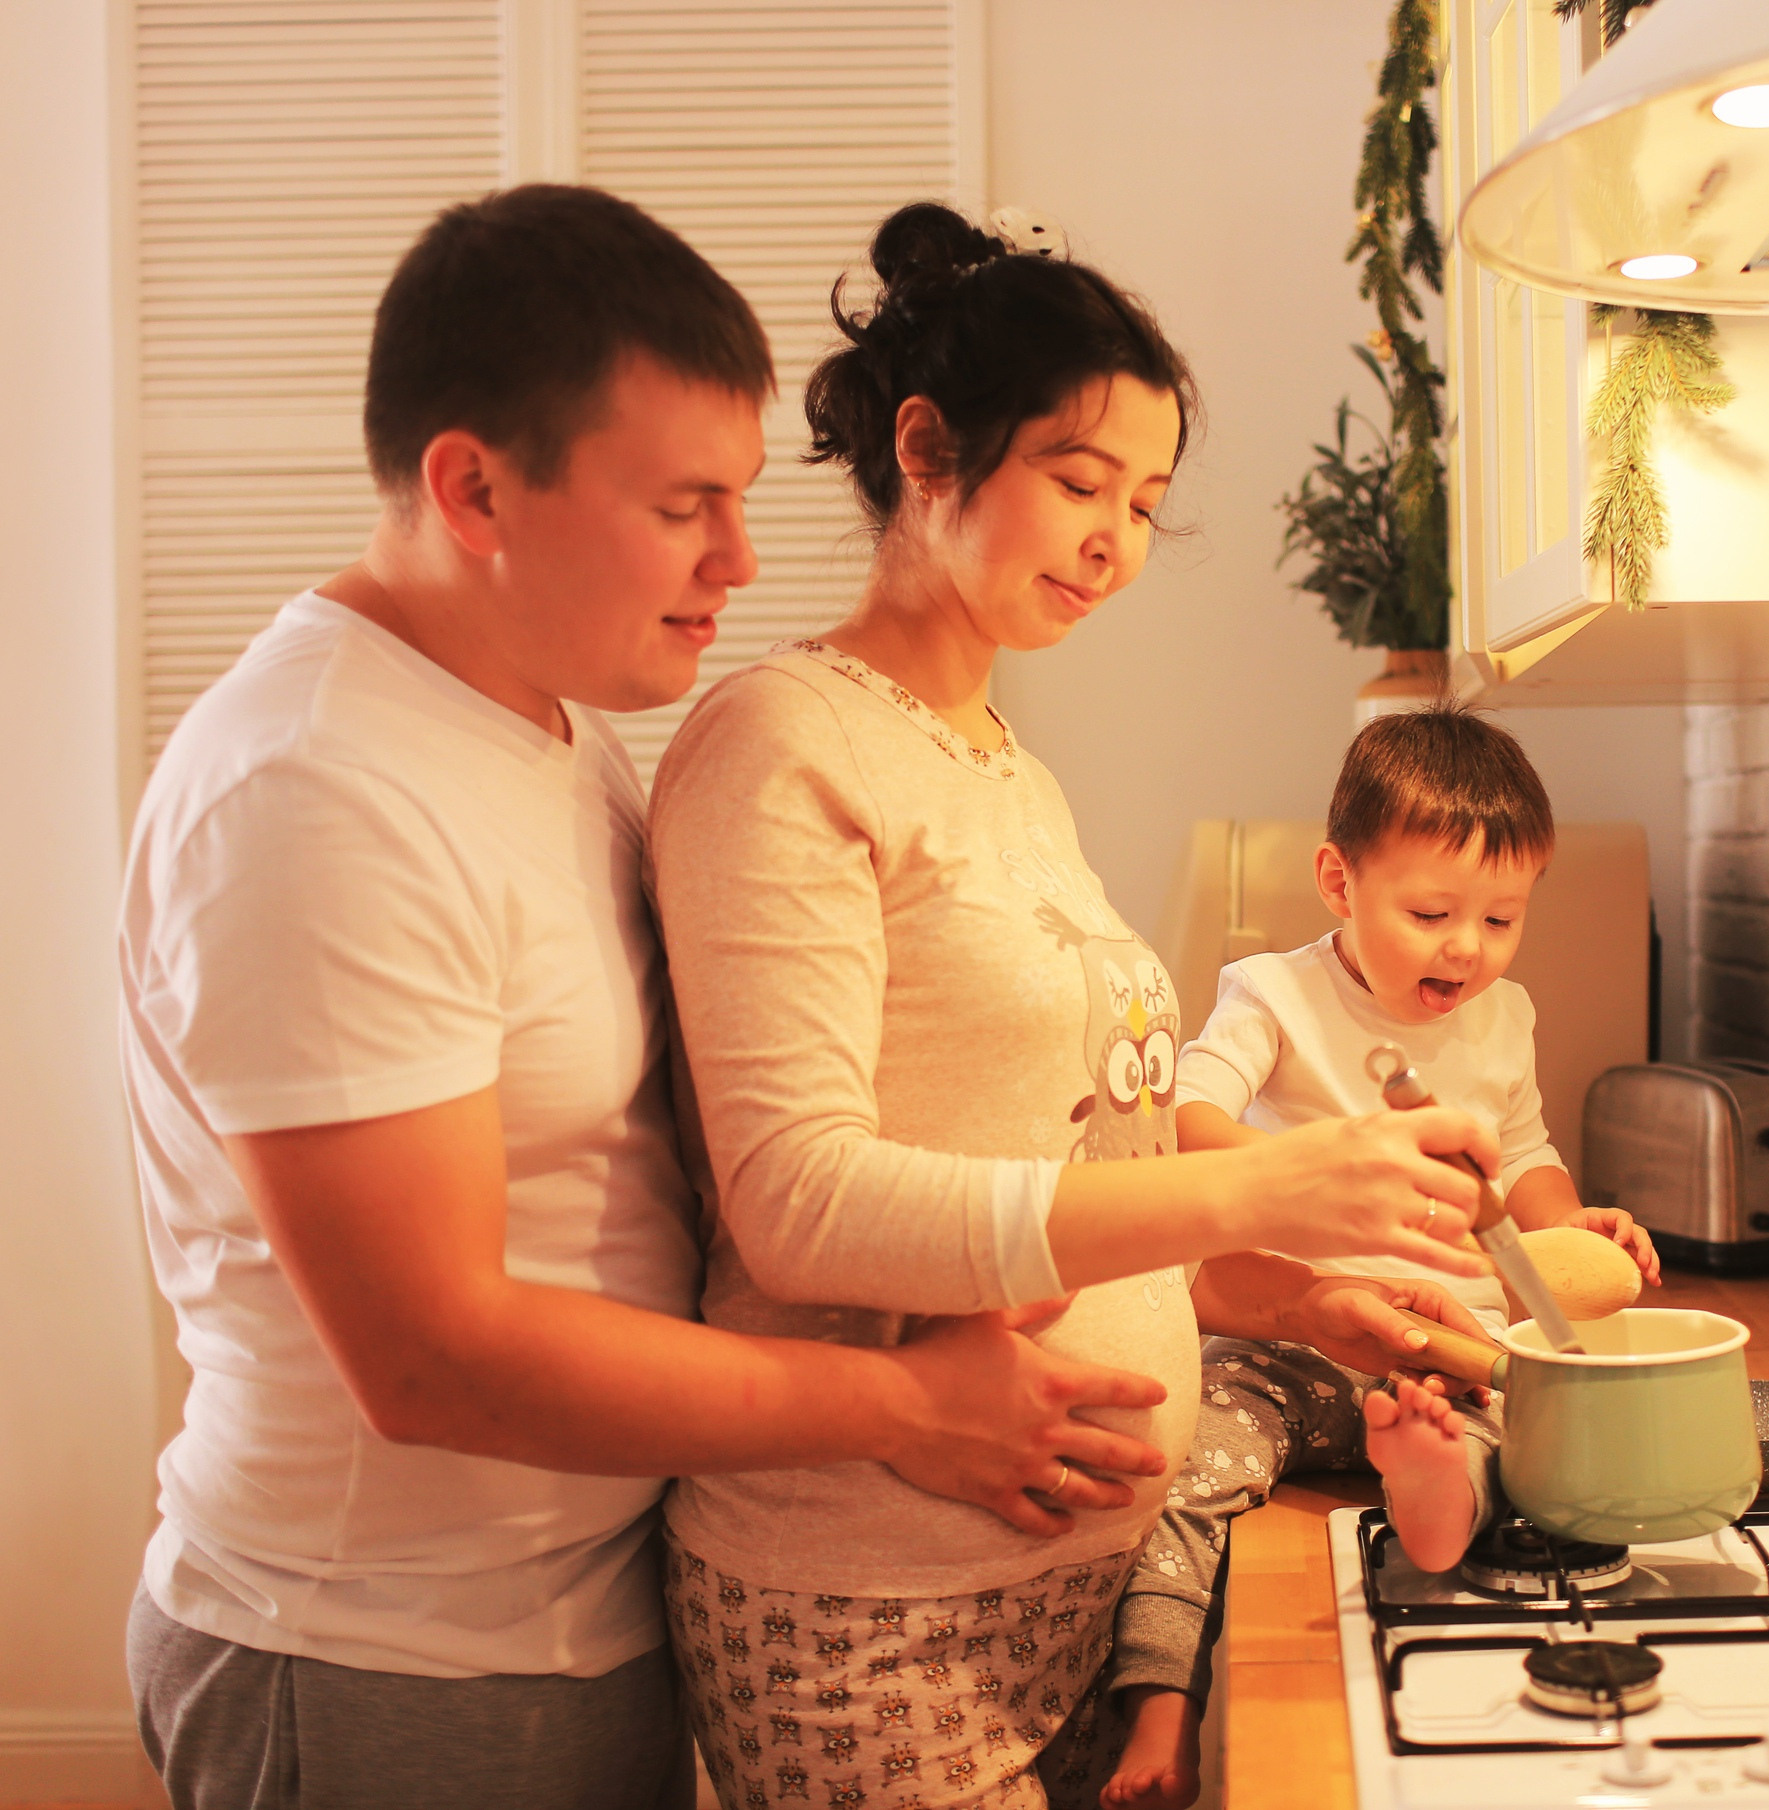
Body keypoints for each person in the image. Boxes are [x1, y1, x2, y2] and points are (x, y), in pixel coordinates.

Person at [118, 185, 1181, 1810]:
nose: (739, 560)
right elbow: (433, 1360)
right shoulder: (313, 788)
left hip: (578, 1612)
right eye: (688, 505)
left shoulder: (555, 735)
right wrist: (901, 1406)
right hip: (376, 1660)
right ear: (475, 485)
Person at [645, 203, 1500, 1810]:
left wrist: (1292, 1296)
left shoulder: (1011, 774)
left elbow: (1069, 1171)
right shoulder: (782, 744)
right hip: (869, 1605)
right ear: (928, 446)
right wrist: (1258, 1181)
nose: (1116, 539)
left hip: (1083, 1596)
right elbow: (796, 1201)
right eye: (1081, 480)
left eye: (1149, 504)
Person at [1101, 705, 1663, 1810]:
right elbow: (1179, 1121)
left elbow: (1527, 1156)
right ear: (1336, 880)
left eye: (1502, 917)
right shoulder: (1272, 992)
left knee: (1535, 1459)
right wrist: (1324, 1174)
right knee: (1188, 1469)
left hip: (1446, 1343)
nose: (1468, 945)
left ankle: (1427, 1490)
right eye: (1431, 910)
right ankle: (1158, 1710)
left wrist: (1570, 1219)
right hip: (1287, 1333)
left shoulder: (1506, 1015)